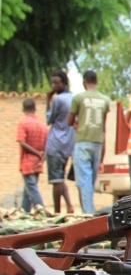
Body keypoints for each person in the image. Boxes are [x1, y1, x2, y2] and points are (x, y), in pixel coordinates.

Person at [67, 70, 110, 215]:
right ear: (96, 81)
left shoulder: (79, 98)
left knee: (83, 179)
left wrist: (77, 125)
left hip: (82, 140)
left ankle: (88, 213)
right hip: (97, 142)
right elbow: (104, 126)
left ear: (84, 81)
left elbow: (69, 121)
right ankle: (87, 209)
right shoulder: (104, 99)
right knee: (90, 179)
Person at [44, 70, 76, 214]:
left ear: (64, 83)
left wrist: (47, 101)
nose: (54, 85)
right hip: (68, 143)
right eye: (53, 82)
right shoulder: (73, 98)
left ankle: (57, 211)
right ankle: (69, 205)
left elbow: (49, 119)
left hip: (55, 143)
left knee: (56, 180)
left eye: (57, 82)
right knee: (60, 177)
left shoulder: (57, 100)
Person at [16, 98, 48, 213]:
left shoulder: (23, 123)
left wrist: (36, 152)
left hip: (27, 162)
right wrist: (41, 160)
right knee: (28, 189)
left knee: (32, 189)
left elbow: (22, 142)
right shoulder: (42, 125)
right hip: (37, 163)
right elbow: (47, 147)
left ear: (23, 109)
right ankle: (25, 211)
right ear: (35, 109)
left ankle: (42, 211)